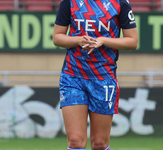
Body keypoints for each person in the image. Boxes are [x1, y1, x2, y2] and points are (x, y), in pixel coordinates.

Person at [53, 0, 138, 149]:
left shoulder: (120, 3)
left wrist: (103, 41)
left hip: (103, 78)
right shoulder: (69, 2)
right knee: (75, 141)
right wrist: (78, 40)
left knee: (99, 143)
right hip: (73, 76)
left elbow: (132, 41)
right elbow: (57, 37)